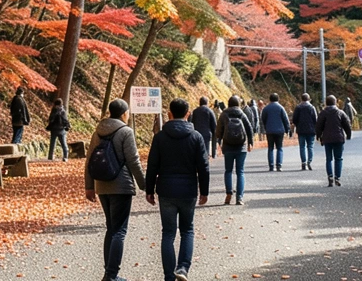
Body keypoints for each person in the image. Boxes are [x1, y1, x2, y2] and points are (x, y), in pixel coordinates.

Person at [145, 98, 210, 281]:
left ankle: (168, 276)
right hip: (188, 190)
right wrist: (204, 191)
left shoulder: (160, 137)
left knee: (168, 232)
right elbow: (203, 166)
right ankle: (182, 268)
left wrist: (149, 190)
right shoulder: (196, 137)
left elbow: (152, 166)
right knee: (187, 230)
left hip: (166, 190)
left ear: (169, 114)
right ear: (188, 114)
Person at [85, 98, 147, 281]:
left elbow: (88, 161)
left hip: (102, 185)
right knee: (119, 230)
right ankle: (111, 275)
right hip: (121, 186)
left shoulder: (98, 131)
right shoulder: (125, 132)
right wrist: (144, 185)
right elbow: (133, 160)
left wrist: (89, 186)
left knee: (111, 229)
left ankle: (108, 273)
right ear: (124, 113)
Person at [216, 95, 254, 205]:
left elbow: (218, 130)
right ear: (238, 103)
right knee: (240, 171)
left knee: (228, 171)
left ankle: (228, 194)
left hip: (227, 146)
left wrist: (219, 141)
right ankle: (239, 197)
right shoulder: (242, 113)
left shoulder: (224, 114)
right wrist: (250, 142)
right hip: (241, 147)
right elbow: (249, 128)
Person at [316, 95, 352, 187]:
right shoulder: (340, 112)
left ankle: (330, 177)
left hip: (327, 138)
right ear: (335, 102)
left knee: (329, 159)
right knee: (338, 158)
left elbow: (319, 125)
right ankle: (337, 178)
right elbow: (347, 124)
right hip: (339, 138)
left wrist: (319, 135)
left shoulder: (323, 113)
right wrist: (348, 135)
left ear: (326, 103)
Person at [260, 93, 291, 172]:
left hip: (269, 130)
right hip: (280, 130)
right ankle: (279, 165)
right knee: (279, 148)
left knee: (270, 148)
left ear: (270, 99)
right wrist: (288, 129)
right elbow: (285, 119)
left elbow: (263, 118)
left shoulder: (266, 108)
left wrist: (266, 126)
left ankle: (271, 166)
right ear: (278, 99)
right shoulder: (281, 108)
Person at [291, 93, 318, 170]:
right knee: (310, 146)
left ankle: (303, 162)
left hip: (301, 130)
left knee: (302, 146)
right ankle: (309, 161)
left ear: (301, 99)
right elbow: (315, 119)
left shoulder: (298, 107)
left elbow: (295, 119)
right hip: (311, 130)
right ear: (309, 99)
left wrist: (298, 125)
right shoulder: (312, 107)